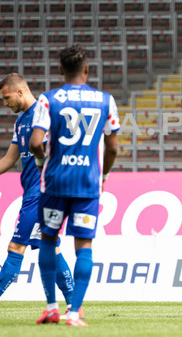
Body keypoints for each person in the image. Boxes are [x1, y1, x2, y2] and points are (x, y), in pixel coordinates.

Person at [30, 45, 119, 327]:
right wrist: (103, 176)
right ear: (87, 69)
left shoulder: (48, 99)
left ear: (60, 69)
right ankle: (74, 312)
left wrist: (42, 161)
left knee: (48, 239)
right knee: (84, 246)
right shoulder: (105, 100)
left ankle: (51, 308)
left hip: (55, 182)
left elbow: (35, 143)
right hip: (87, 184)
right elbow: (113, 148)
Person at [0, 74, 76, 313]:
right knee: (50, 248)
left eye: (6, 98)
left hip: (41, 193)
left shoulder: (46, 114)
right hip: (33, 193)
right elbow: (9, 160)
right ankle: (74, 304)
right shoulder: (21, 121)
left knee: (16, 247)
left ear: (20, 92)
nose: (5, 104)